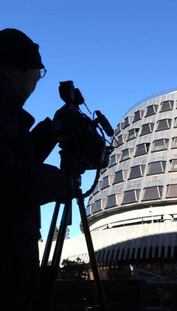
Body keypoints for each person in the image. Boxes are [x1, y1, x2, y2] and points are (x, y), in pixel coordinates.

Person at [0, 28, 66, 311]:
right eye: (38, 75)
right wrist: (61, 181)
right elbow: (5, 178)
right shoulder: (1, 100)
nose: (36, 84)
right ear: (23, 69)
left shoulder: (6, 106)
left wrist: (51, 132)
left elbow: (13, 155)